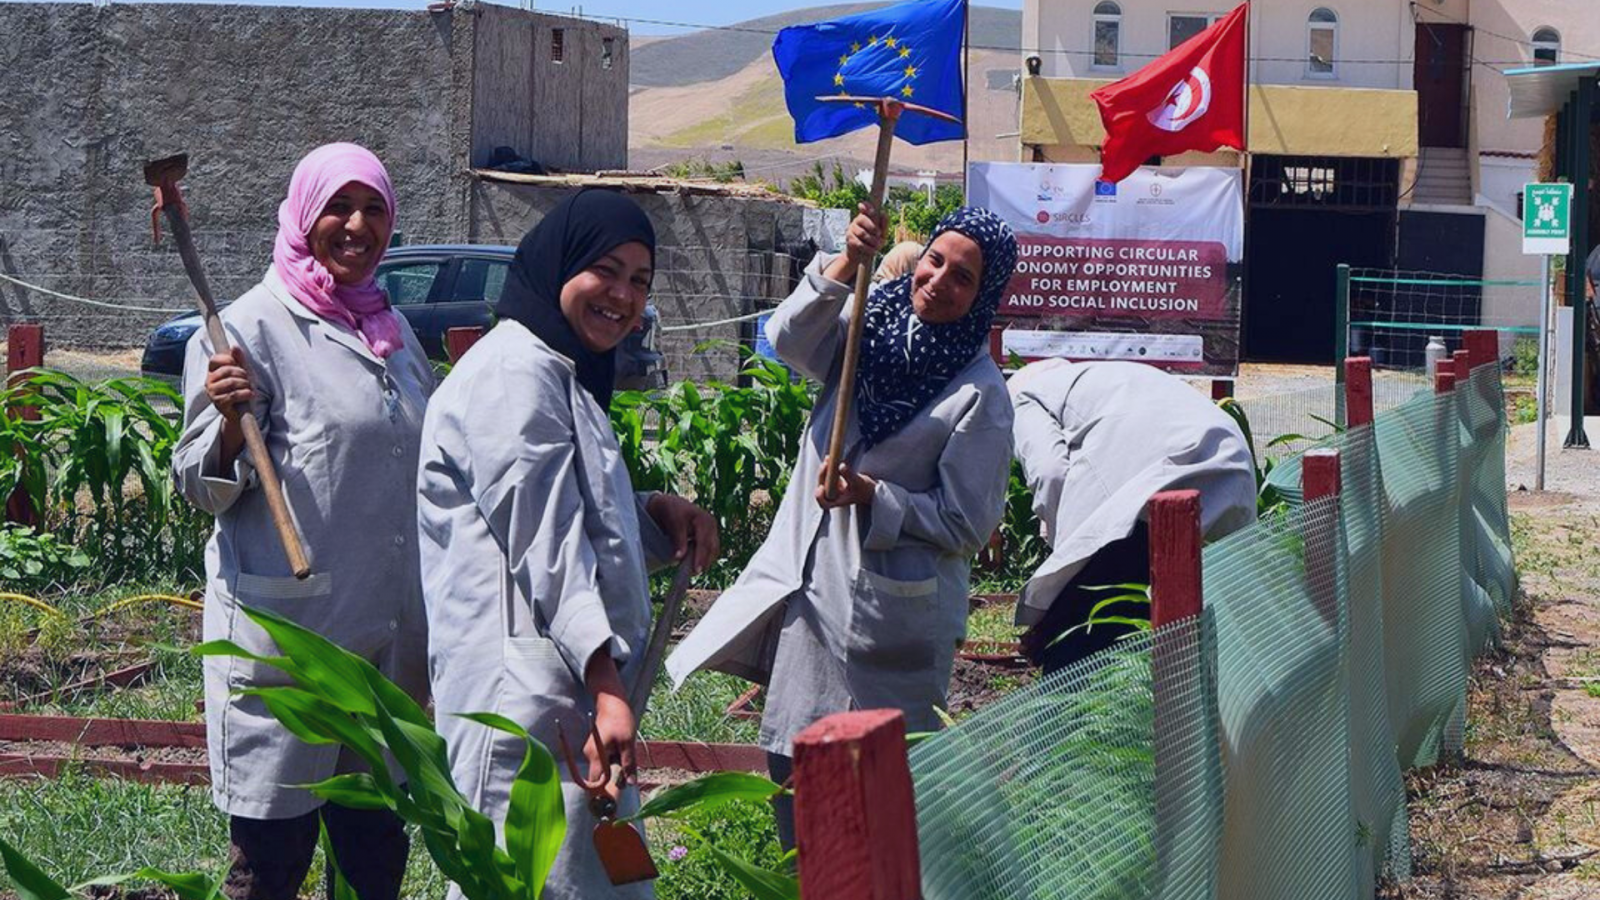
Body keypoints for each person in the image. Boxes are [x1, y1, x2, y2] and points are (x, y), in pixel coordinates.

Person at [667, 204, 1019, 846]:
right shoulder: (867, 322)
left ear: (984, 294)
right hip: (810, 589)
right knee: (795, 759)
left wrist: (872, 496)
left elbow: (966, 523)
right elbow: (789, 339)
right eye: (936, 260)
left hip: (888, 617)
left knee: (874, 795)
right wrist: (848, 262)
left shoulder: (980, 394)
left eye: (963, 277)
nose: (939, 280)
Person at [416, 189, 719, 900]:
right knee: (524, 880)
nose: (623, 296)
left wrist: (655, 513)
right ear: (560, 264)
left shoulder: (558, 368)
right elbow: (545, 544)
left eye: (639, 281)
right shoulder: (512, 375)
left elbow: (577, 513)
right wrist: (606, 684)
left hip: (565, 685)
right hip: (523, 696)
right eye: (605, 271)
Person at [173, 143, 432, 900]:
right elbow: (198, 486)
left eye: (374, 208)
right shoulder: (245, 330)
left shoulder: (392, 331)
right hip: (289, 641)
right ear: (302, 215)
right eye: (337, 207)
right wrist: (229, 424)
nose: (357, 225)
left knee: (373, 858)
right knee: (271, 863)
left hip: (383, 645)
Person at [1007, 359, 1257, 674]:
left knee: (1081, 648)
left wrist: (1064, 565)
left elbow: (1050, 473)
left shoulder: (1024, 397)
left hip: (1153, 487)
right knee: (1193, 634)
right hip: (1229, 464)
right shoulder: (1110, 375)